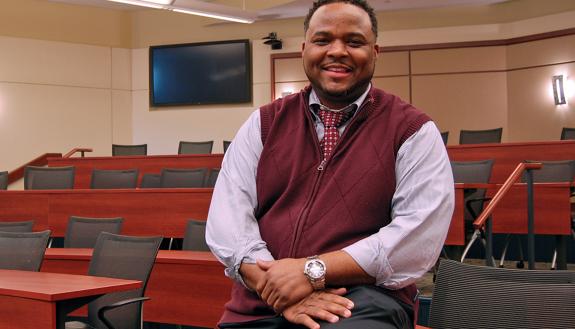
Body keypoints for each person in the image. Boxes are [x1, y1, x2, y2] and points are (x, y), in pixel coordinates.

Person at [206, 0, 454, 328]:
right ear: (304, 49)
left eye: (354, 42)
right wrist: (279, 286)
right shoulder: (264, 123)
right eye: (323, 41)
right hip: (262, 299)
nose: (337, 51)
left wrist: (311, 273)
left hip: (363, 302)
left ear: (375, 52)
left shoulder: (412, 131)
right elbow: (228, 220)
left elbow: (415, 240)